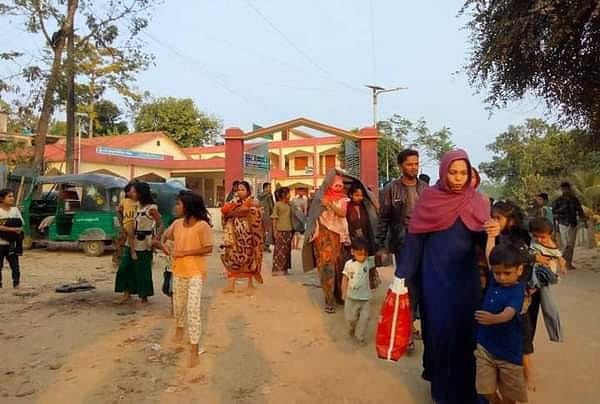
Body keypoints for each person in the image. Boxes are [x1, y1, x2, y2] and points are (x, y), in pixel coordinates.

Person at [395, 149, 491, 403]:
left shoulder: (477, 201)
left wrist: (494, 230)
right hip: (435, 280)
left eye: (463, 173)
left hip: (466, 281)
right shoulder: (429, 200)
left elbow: (484, 242)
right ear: (443, 171)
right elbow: (414, 243)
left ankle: (471, 393)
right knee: (439, 334)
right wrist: (400, 277)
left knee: (467, 334)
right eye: (453, 172)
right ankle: (443, 391)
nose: (458, 178)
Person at [303, 170, 378, 314]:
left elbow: (343, 213)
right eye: (335, 185)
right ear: (329, 185)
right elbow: (312, 217)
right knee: (326, 267)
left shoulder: (345, 199)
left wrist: (330, 205)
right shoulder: (320, 199)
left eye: (340, 185)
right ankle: (328, 299)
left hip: (340, 238)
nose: (338, 187)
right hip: (322, 238)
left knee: (340, 266)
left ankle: (339, 295)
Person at [376, 149, 428, 349]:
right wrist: (380, 245)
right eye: (409, 164)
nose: (414, 167)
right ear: (400, 166)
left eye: (416, 164)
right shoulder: (390, 189)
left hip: (425, 243)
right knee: (406, 286)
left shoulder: (425, 188)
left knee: (425, 286)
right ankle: (406, 332)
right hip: (403, 243)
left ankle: (421, 327)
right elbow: (384, 219)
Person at [162, 191, 213, 368]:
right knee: (179, 306)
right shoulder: (176, 224)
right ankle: (179, 328)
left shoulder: (202, 226)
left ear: (188, 206)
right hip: (178, 272)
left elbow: (208, 248)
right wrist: (166, 248)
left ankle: (194, 349)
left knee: (193, 309)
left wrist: (184, 252)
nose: (175, 207)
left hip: (196, 273)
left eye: (178, 204)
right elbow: (164, 236)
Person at [475, 242, 528, 404]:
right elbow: (489, 251)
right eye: (497, 273)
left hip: (509, 354)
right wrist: (491, 235)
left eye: (507, 273)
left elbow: (509, 313)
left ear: (520, 270)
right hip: (485, 349)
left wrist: (493, 319)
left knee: (510, 396)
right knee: (485, 390)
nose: (502, 277)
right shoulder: (494, 280)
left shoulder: (517, 290)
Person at [114, 182, 163, 305]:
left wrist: (156, 238)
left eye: (134, 192)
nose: (132, 194)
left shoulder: (151, 208)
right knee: (125, 267)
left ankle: (143, 296)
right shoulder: (135, 206)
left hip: (144, 242)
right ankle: (126, 293)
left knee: (143, 270)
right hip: (130, 240)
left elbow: (161, 224)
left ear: (141, 193)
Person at [220, 181, 264, 294]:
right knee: (233, 257)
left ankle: (250, 284)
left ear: (248, 191)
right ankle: (231, 285)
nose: (240, 191)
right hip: (234, 234)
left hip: (248, 234)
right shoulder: (232, 201)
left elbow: (253, 213)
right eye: (238, 189)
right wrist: (236, 211)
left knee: (249, 258)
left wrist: (236, 212)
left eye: (243, 189)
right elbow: (225, 212)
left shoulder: (254, 202)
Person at [342, 237, 371, 345]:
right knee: (351, 318)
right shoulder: (348, 264)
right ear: (352, 252)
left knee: (365, 317)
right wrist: (343, 292)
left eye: (365, 254)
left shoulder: (368, 262)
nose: (362, 257)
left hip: (365, 298)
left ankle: (360, 336)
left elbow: (382, 259)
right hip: (351, 298)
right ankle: (352, 327)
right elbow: (345, 279)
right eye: (359, 254)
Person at [552, 182, 585, 269]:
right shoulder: (558, 200)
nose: (565, 190)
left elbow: (580, 210)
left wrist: (583, 220)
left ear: (569, 189)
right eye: (564, 189)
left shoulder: (574, 199)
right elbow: (554, 213)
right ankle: (564, 262)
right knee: (566, 244)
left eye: (567, 189)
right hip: (562, 224)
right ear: (562, 189)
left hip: (573, 224)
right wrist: (555, 227)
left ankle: (568, 263)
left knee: (571, 244)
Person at [0, 189, 23, 289]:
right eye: (9, 196)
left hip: (12, 244)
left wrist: (7, 226)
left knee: (15, 266)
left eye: (13, 196)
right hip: (0, 243)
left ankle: (16, 284)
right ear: (1, 198)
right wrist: (13, 228)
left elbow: (21, 224)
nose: (12, 198)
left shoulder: (15, 210)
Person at [113, 181, 138, 268]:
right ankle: (117, 261)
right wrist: (121, 222)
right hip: (125, 225)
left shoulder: (139, 202)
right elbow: (118, 211)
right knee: (121, 242)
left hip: (136, 226)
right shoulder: (124, 201)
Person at [271, 187, 293, 276]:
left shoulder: (290, 205)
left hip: (289, 230)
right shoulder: (277, 205)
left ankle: (285, 268)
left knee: (287, 250)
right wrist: (274, 230)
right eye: (288, 193)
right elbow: (274, 218)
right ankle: (277, 270)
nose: (289, 195)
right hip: (280, 230)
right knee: (279, 251)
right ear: (283, 195)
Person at [258, 182, 275, 252]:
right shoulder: (269, 195)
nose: (270, 189)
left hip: (260, 214)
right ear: (265, 188)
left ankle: (262, 245)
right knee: (270, 231)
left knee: (262, 230)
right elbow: (271, 206)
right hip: (267, 215)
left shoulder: (259, 195)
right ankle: (266, 245)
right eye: (269, 187)